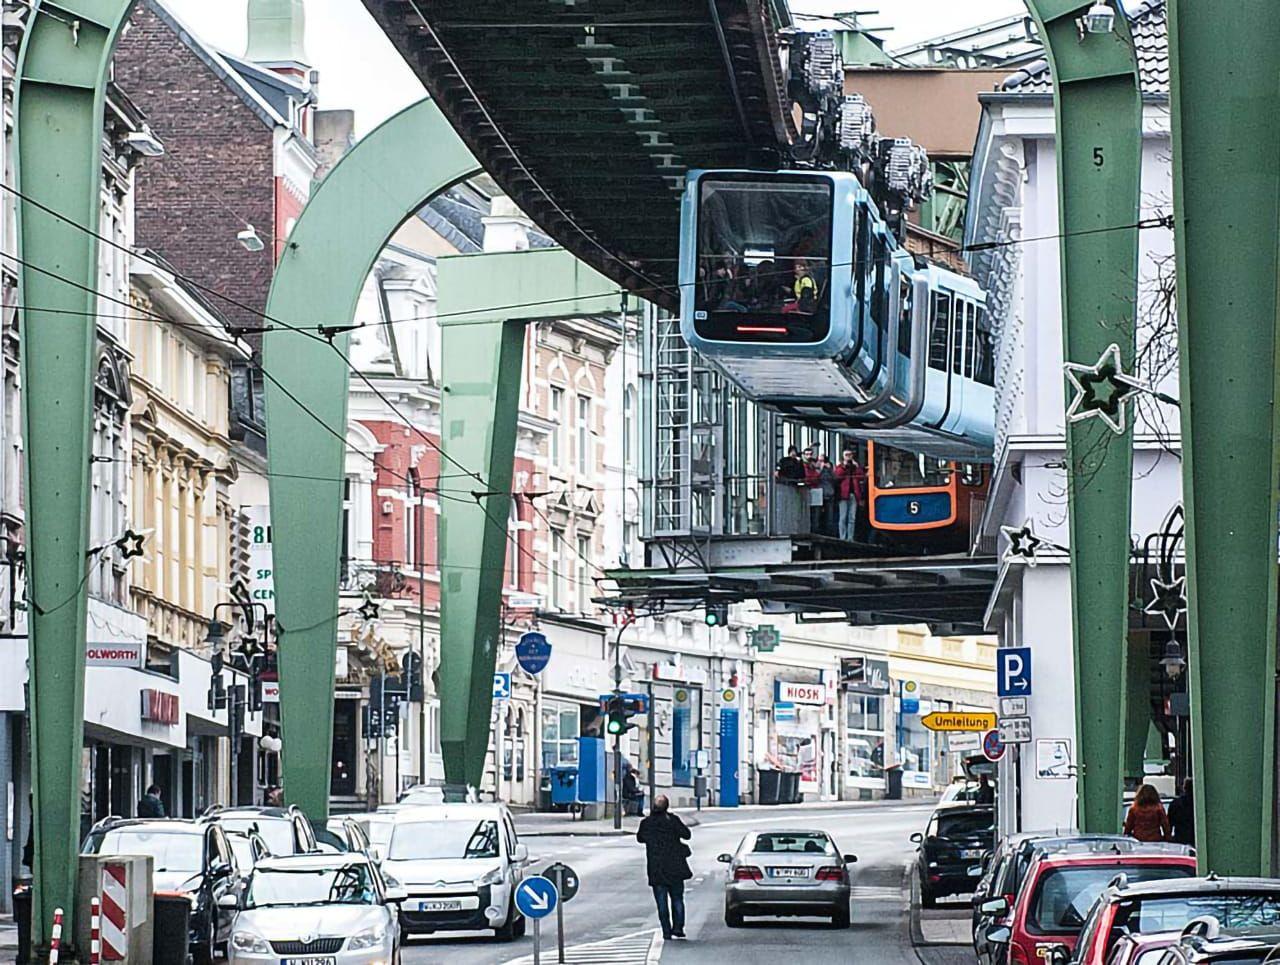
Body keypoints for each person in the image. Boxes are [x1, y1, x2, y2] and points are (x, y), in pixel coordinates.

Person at [636, 795, 693, 940]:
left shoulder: (647, 823)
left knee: (661, 902)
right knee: (677, 899)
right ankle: (678, 928)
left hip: (657, 868)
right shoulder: (672, 820)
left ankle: (666, 931)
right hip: (675, 866)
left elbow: (640, 838)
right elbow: (687, 835)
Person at [834, 449, 863, 543]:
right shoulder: (840, 466)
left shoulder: (855, 467)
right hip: (843, 495)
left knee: (852, 517)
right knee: (843, 517)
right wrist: (844, 466)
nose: (848, 457)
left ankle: (850, 537)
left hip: (853, 494)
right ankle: (842, 537)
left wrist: (857, 467)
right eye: (846, 455)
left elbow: (861, 477)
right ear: (843, 456)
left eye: (850, 455)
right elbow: (837, 476)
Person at [1168, 778, 1195, 845]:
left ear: (1184, 788)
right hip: (1195, 837)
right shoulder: (1198, 803)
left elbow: (1170, 822)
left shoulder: (1175, 803)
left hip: (1180, 838)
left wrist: (1168, 836)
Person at [818, 455, 838, 536]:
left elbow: (835, 479)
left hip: (829, 493)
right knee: (818, 514)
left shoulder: (830, 470)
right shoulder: (817, 468)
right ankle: (819, 530)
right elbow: (815, 478)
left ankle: (829, 532)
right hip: (819, 493)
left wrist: (830, 470)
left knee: (830, 515)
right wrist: (820, 470)